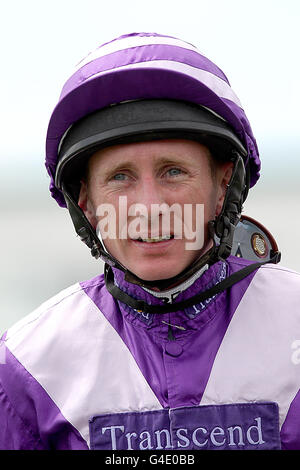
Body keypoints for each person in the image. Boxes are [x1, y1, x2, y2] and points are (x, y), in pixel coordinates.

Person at [0, 32, 299, 451]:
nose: (149, 206)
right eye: (120, 176)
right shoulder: (27, 366)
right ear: (85, 202)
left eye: (173, 171)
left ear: (223, 184)